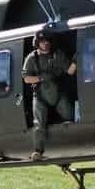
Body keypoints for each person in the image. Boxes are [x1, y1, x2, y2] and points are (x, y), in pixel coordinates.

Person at [23, 29, 77, 160]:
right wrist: (41, 78)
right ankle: (38, 151)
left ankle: (75, 145)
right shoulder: (32, 58)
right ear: (37, 43)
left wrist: (76, 59)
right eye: (42, 41)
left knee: (70, 116)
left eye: (47, 41)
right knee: (39, 124)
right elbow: (26, 78)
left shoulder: (57, 55)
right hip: (40, 96)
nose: (45, 43)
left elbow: (70, 71)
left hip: (57, 94)